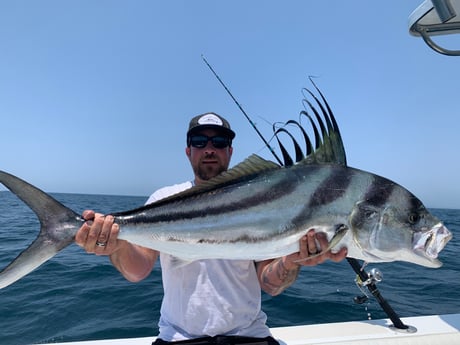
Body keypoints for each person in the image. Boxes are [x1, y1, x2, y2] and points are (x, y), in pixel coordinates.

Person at [75, 112, 348, 345]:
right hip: (180, 338)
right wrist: (117, 244)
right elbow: (138, 270)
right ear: (188, 151)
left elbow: (271, 284)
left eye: (219, 142)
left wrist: (291, 260)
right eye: (199, 141)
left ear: (230, 151)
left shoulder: (263, 200)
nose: (209, 149)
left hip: (249, 337)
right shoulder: (163, 199)